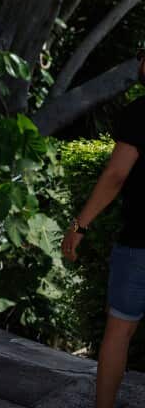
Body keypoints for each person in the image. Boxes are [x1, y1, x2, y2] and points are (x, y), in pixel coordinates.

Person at [61, 46, 145, 408]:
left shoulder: (140, 113)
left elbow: (115, 176)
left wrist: (80, 224)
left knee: (119, 331)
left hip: (140, 240)